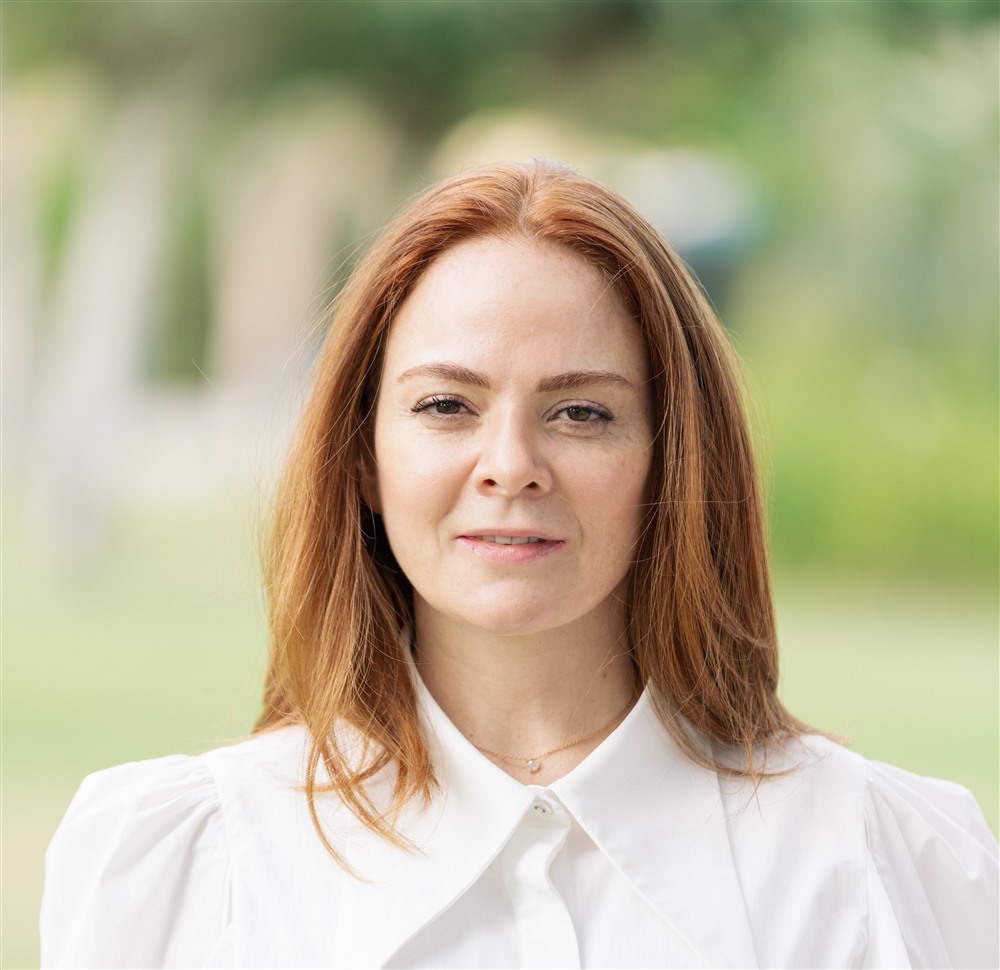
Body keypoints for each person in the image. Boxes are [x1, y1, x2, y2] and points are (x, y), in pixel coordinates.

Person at [41, 160, 997, 969]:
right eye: (445, 406)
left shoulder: (879, 863)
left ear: (673, 460)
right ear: (362, 457)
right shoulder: (194, 867)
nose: (510, 465)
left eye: (581, 412)